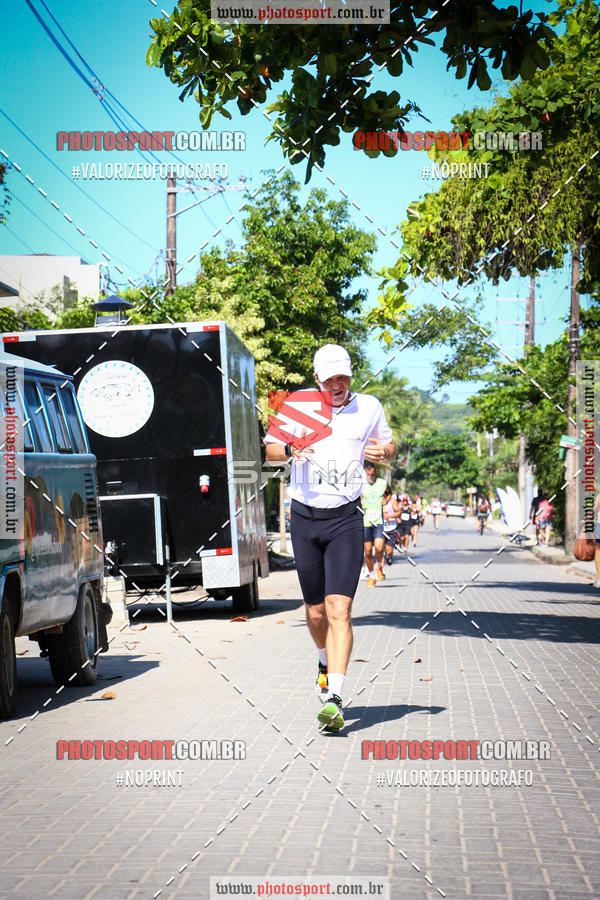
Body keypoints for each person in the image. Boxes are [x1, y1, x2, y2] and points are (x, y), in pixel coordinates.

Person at [264, 344, 395, 733]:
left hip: (346, 518)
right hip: (304, 516)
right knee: (316, 611)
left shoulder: (369, 406)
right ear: (317, 378)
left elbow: (389, 446)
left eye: (343, 378)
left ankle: (335, 697)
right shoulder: (297, 405)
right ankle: (323, 660)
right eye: (329, 379)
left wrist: (384, 450)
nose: (337, 385)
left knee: (339, 609)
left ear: (351, 376)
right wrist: (289, 448)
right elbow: (270, 450)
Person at [362, 461, 388, 586]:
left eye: (372, 475)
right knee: (367, 551)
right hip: (365, 522)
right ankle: (371, 575)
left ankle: (379, 567)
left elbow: (389, 493)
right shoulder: (360, 485)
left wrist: (386, 501)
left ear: (375, 472)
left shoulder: (382, 483)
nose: (370, 477)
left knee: (378, 548)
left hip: (378, 521)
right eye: (368, 475)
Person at [382, 486, 400, 565]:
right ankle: (380, 570)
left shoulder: (392, 501)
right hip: (380, 529)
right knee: (379, 549)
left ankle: (389, 556)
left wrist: (389, 517)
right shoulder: (377, 500)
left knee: (388, 550)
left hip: (391, 529)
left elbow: (399, 512)